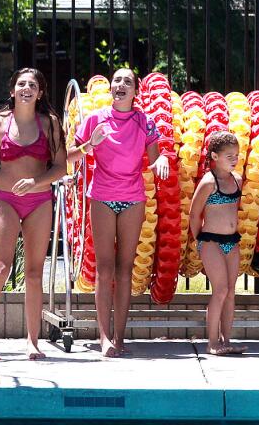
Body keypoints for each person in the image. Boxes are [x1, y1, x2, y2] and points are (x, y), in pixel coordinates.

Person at [0, 68, 67, 359]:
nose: (26, 88)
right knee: (2, 267)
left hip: (39, 200)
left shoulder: (50, 124)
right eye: (21, 84)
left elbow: (61, 167)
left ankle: (33, 342)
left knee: (33, 273)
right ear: (12, 90)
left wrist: (35, 182)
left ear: (40, 93)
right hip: (6, 199)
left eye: (32, 84)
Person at [68, 66, 169, 358]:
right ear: (111, 88)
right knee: (105, 268)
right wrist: (90, 144)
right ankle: (103, 337)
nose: (121, 85)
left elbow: (155, 156)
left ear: (136, 90)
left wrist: (160, 160)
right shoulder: (95, 119)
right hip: (102, 197)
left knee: (125, 269)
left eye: (127, 81)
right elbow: (69, 157)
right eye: (116, 81)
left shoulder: (144, 122)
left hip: (132, 199)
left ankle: (120, 337)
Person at [189, 130, 246, 356]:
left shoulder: (237, 180)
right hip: (211, 240)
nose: (235, 159)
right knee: (220, 290)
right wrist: (200, 241)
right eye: (229, 156)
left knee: (231, 291)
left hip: (231, 241)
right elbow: (195, 214)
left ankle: (226, 339)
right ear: (214, 156)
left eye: (237, 155)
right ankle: (212, 342)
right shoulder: (208, 182)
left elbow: (234, 209)